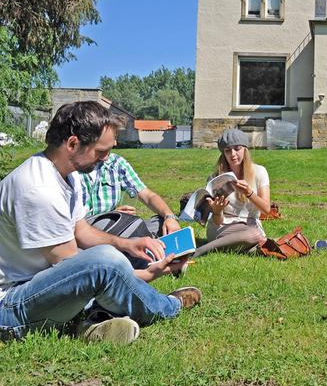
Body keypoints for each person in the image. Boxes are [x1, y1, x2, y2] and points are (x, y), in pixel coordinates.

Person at [0, 102, 201, 344]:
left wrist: (126, 244)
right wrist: (143, 275)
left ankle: (92, 322)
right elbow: (76, 267)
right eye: (100, 152)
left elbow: (81, 229)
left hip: (38, 285)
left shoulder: (65, 173)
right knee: (105, 261)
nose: (106, 160)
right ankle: (169, 306)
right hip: (12, 304)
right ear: (72, 144)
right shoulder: (39, 190)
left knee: (108, 257)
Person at [192, 129, 269, 258]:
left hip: (249, 224)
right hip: (222, 227)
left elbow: (266, 209)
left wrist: (249, 193)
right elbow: (218, 221)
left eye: (237, 149)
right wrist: (217, 211)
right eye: (228, 151)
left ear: (245, 150)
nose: (233, 154)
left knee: (254, 236)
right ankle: (200, 251)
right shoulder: (216, 179)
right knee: (255, 236)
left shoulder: (259, 172)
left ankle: (219, 246)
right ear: (223, 154)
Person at [81, 150, 181, 238]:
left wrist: (169, 217)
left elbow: (148, 196)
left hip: (115, 228)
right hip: (84, 232)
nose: (106, 156)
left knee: (161, 222)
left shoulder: (115, 163)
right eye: (101, 150)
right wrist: (110, 216)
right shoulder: (73, 169)